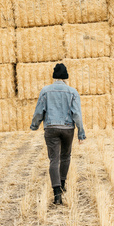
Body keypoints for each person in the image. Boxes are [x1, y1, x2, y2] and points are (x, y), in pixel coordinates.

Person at [30, 63, 86, 205]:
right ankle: (62, 184)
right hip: (68, 128)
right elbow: (77, 114)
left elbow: (38, 112)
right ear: (66, 78)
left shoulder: (45, 91)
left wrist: (35, 125)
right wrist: (81, 132)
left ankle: (56, 194)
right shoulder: (73, 92)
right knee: (66, 156)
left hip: (51, 128)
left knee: (54, 159)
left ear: (54, 77)